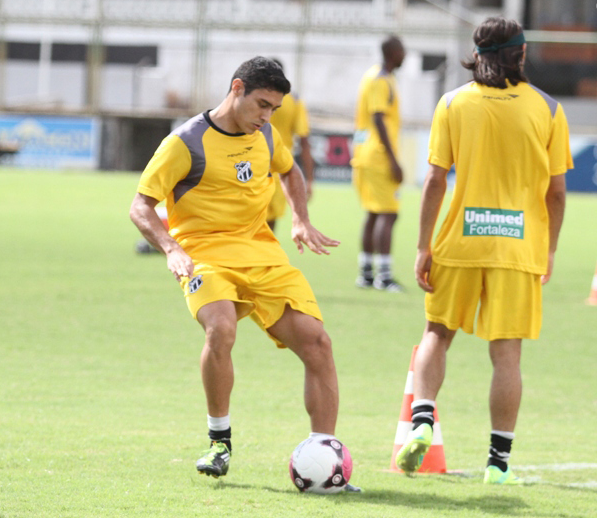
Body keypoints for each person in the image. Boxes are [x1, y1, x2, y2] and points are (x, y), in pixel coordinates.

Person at [129, 57, 342, 482]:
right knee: (221, 327)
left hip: (262, 254)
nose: (266, 117)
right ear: (237, 88)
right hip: (203, 254)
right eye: (262, 105)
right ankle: (219, 442)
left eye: (274, 110)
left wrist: (300, 218)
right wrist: (170, 248)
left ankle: (325, 458)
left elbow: (291, 170)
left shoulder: (264, 134)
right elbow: (140, 206)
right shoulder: (185, 142)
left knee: (317, 343)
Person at [394, 17, 572, 485]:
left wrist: (422, 245)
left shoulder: (452, 102)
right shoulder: (548, 109)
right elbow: (556, 193)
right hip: (518, 247)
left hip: (459, 240)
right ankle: (497, 462)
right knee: (507, 356)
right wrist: (549, 249)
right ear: (521, 54)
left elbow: (435, 179)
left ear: (477, 54)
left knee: (437, 333)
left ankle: (423, 421)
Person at [351, 36, 406, 291]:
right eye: (402, 50)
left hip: (367, 152)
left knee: (374, 213)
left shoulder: (377, 76)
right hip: (378, 155)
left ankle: (366, 273)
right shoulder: (380, 80)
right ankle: (384, 276)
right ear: (393, 52)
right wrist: (393, 160)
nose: (405, 54)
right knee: (388, 213)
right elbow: (378, 118)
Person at [266, 58, 315, 232]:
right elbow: (304, 140)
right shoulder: (293, 100)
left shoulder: (253, 97)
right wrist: (309, 179)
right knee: (269, 226)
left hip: (252, 163)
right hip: (280, 167)